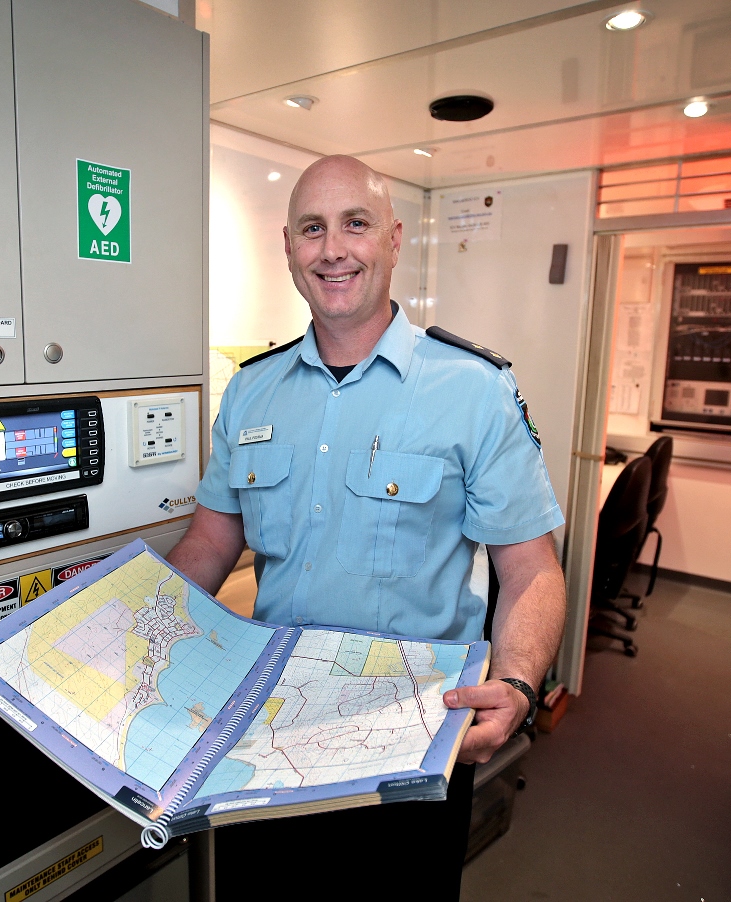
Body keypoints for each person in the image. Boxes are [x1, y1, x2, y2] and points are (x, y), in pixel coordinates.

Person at [166, 154, 566, 899]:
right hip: (269, 746)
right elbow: (209, 544)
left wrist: (516, 682)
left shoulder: (473, 391)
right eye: (312, 229)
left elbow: (533, 571)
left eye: (356, 224)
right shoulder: (252, 392)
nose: (333, 249)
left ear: (393, 238)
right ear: (288, 247)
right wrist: (136, 628)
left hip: (409, 752)